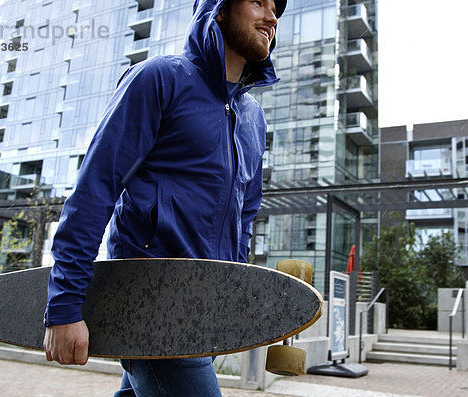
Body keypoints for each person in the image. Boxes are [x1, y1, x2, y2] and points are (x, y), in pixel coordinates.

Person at [42, 0, 286, 395]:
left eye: (276, 8)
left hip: (201, 305)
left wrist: (232, 295)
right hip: (147, 297)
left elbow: (245, 217)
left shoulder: (254, 119)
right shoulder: (159, 79)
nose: (272, 17)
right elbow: (95, 189)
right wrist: (65, 304)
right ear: (219, 9)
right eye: (258, 2)